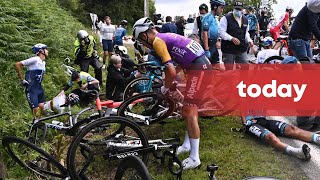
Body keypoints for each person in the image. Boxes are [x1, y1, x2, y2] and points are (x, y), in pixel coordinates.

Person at [133, 17, 212, 169]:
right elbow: (183, 59)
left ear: (144, 36)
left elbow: (170, 70)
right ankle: (188, 145)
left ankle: (195, 158)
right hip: (198, 66)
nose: (143, 45)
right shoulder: (165, 37)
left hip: (199, 70)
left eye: (141, 42)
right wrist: (170, 81)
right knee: (187, 111)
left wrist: (167, 86)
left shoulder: (157, 42)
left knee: (189, 111)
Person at [15, 43, 48, 118]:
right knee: (36, 111)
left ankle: (43, 125)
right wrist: (22, 79)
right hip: (31, 89)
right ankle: (36, 126)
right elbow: (17, 64)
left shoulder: (43, 62)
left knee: (42, 108)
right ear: (41, 51)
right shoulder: (35, 59)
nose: (47, 51)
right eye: (46, 49)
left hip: (39, 88)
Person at [219, 1, 253, 70]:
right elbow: (221, 32)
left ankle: (243, 80)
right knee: (229, 69)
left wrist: (249, 40)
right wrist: (231, 38)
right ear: (233, 9)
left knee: (245, 67)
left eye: (240, 9)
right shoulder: (226, 18)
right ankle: (229, 80)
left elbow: (246, 32)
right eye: (237, 9)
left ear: (243, 9)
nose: (238, 11)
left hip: (241, 48)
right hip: (228, 49)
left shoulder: (245, 19)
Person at [202, 0, 225, 65]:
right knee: (208, 66)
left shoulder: (214, 18)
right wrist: (206, 49)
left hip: (213, 43)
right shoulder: (208, 17)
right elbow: (205, 33)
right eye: (221, 8)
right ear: (215, 7)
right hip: (209, 43)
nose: (222, 10)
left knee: (216, 65)